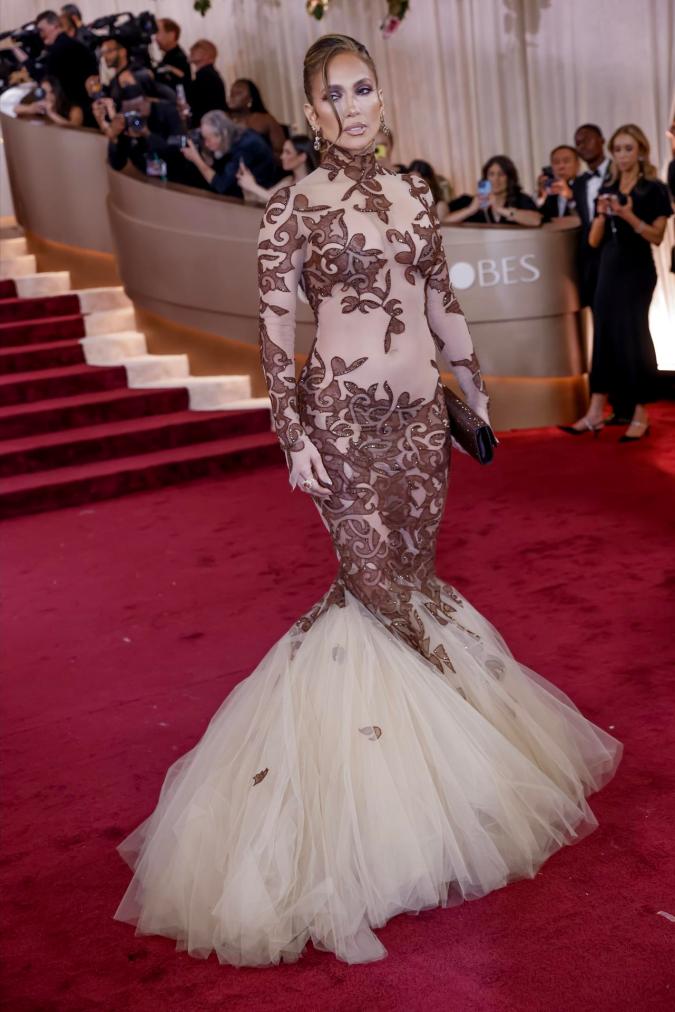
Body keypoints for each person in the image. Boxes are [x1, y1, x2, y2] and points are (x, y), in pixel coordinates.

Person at [114, 33, 622, 967]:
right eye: (334, 95)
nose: (353, 106)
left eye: (363, 89)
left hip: (419, 423)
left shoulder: (411, 194)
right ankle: (390, 814)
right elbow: (274, 334)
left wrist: (473, 390)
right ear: (311, 112)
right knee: (378, 584)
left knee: (405, 584)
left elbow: (437, 301)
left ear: (378, 99)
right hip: (341, 428)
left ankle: (427, 809)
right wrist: (293, 437)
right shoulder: (288, 206)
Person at [561, 124, 671, 443]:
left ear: (641, 151)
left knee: (634, 337)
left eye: (629, 149)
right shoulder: (606, 185)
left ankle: (640, 413)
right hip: (608, 267)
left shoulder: (654, 188)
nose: (623, 155)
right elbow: (594, 242)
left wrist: (628, 216)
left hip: (637, 270)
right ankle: (596, 411)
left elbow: (657, 236)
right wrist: (599, 214)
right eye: (618, 150)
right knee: (605, 336)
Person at [181, 109, 284, 198]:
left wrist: (197, 160)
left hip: (259, 198)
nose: (206, 144)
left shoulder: (246, 146)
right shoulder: (235, 137)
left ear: (223, 133)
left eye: (208, 139)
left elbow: (221, 185)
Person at [12, 9, 97, 110]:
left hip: (78, 111)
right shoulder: (71, 45)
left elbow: (45, 80)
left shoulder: (60, 50)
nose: (40, 35)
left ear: (55, 26)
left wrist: (25, 60)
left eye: (42, 30)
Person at [445, 155, 542, 226]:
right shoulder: (470, 200)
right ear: (486, 178)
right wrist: (471, 209)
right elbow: (444, 222)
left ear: (509, 178)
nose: (496, 179)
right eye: (491, 174)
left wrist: (500, 209)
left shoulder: (521, 199)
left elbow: (536, 220)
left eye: (501, 174)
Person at [236, 133, 318, 203]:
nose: (282, 157)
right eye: (283, 152)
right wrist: (247, 187)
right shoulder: (288, 181)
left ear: (302, 157)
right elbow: (261, 200)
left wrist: (252, 186)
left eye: (288, 152)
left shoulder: (312, 184)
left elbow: (286, 207)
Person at [227, 77, 286, 155]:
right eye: (231, 92)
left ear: (250, 99)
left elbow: (281, 152)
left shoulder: (266, 120)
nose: (232, 96)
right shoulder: (224, 119)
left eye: (238, 93)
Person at [15, 75, 83, 126]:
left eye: (52, 92)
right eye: (44, 92)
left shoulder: (74, 109)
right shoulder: (37, 100)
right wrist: (30, 109)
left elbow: (75, 128)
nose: (47, 96)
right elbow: (15, 109)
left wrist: (51, 113)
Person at [187, 39, 227, 125]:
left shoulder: (207, 76)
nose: (192, 50)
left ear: (208, 55)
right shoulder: (207, 75)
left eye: (198, 49)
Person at [536, 145, 580, 222]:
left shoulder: (586, 187)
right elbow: (538, 219)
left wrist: (571, 198)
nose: (561, 166)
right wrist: (541, 196)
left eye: (566, 161)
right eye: (556, 162)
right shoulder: (549, 189)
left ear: (577, 165)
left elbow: (588, 218)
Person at [153, 18, 191, 93]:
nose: (155, 38)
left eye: (158, 33)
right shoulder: (170, 56)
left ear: (171, 35)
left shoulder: (178, 59)